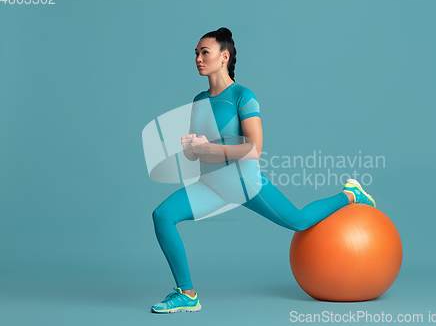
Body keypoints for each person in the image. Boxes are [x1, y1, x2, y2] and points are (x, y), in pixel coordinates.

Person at [150, 27, 376, 314]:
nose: (198, 58)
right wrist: (191, 149)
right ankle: (187, 293)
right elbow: (196, 157)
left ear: (224, 56)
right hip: (212, 185)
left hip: (244, 181)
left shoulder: (242, 96)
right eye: (195, 53)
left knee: (299, 221)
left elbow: (254, 149)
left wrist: (209, 148)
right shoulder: (198, 101)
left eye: (204, 52)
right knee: (162, 216)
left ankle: (350, 195)